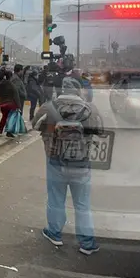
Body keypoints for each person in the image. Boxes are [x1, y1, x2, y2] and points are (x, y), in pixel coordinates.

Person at [35, 91, 102, 255]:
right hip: (82, 163)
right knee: (82, 204)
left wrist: (52, 128)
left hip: (55, 162)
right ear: (79, 92)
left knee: (56, 199)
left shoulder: (48, 107)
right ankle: (87, 243)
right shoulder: (90, 109)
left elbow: (35, 125)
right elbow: (100, 130)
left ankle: (54, 233)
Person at [0, 70, 20, 138]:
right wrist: (18, 105)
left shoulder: (0, 84)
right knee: (10, 119)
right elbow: (16, 96)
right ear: (11, 76)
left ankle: (0, 131)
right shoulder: (12, 85)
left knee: (4, 117)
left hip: (2, 104)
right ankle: (8, 133)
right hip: (10, 104)